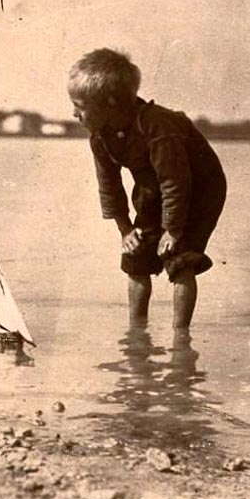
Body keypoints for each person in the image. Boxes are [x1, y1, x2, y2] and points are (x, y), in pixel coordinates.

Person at [68, 48, 226, 340]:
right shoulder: (100, 138)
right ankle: (136, 332)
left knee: (179, 256)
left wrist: (172, 230)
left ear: (110, 103)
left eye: (80, 106)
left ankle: (181, 336)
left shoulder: (157, 125)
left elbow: (175, 181)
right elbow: (110, 187)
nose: (74, 113)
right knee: (137, 254)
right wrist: (125, 230)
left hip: (201, 187)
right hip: (155, 184)